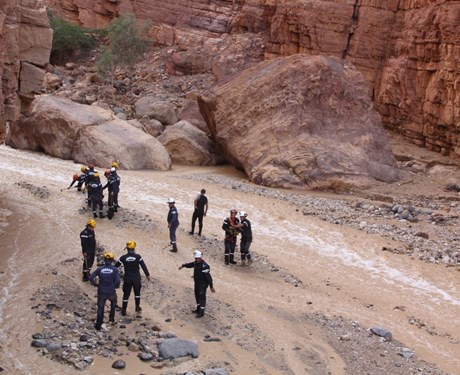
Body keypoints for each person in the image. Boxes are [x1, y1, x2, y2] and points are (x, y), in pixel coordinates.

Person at [115, 240, 150, 316]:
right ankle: (137, 307)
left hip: (127, 279)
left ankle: (124, 310)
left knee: (126, 295)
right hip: (136, 278)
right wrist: (147, 275)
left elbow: (115, 267)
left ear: (127, 248)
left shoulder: (123, 258)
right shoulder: (138, 257)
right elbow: (143, 266)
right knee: (137, 294)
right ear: (134, 248)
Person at [89, 252, 121, 330]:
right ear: (112, 260)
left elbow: (90, 277)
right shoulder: (115, 269)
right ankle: (111, 319)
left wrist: (94, 284)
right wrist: (116, 286)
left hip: (102, 291)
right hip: (111, 291)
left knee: (100, 307)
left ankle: (98, 324)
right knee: (113, 303)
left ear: (104, 259)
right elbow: (118, 281)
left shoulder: (100, 269)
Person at [178, 250, 215, 318]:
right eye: (195, 258)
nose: (196, 260)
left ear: (200, 258)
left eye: (197, 258)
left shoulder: (204, 266)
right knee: (197, 295)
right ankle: (198, 309)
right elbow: (190, 264)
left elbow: (208, 277)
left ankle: (201, 312)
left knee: (202, 297)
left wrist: (211, 286)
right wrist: (183, 266)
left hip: (202, 284)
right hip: (197, 283)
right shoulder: (196, 263)